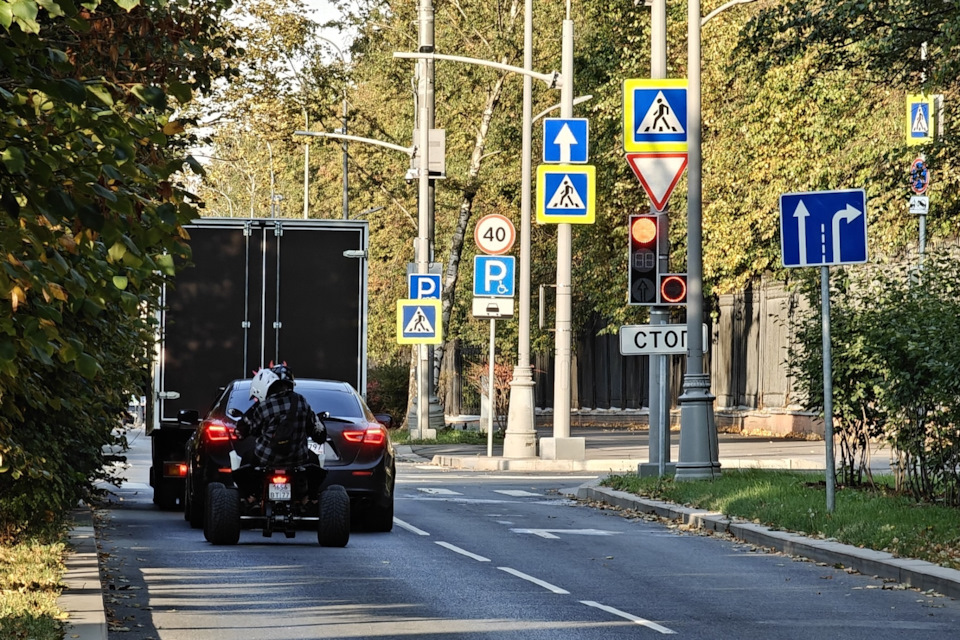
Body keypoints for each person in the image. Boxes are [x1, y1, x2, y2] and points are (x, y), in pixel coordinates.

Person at [233, 364, 326, 506]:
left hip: (267, 459)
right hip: (297, 459)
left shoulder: (263, 406)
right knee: (314, 461)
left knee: (246, 459)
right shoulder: (301, 401)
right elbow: (318, 432)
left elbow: (244, 429)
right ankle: (308, 497)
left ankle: (251, 497)